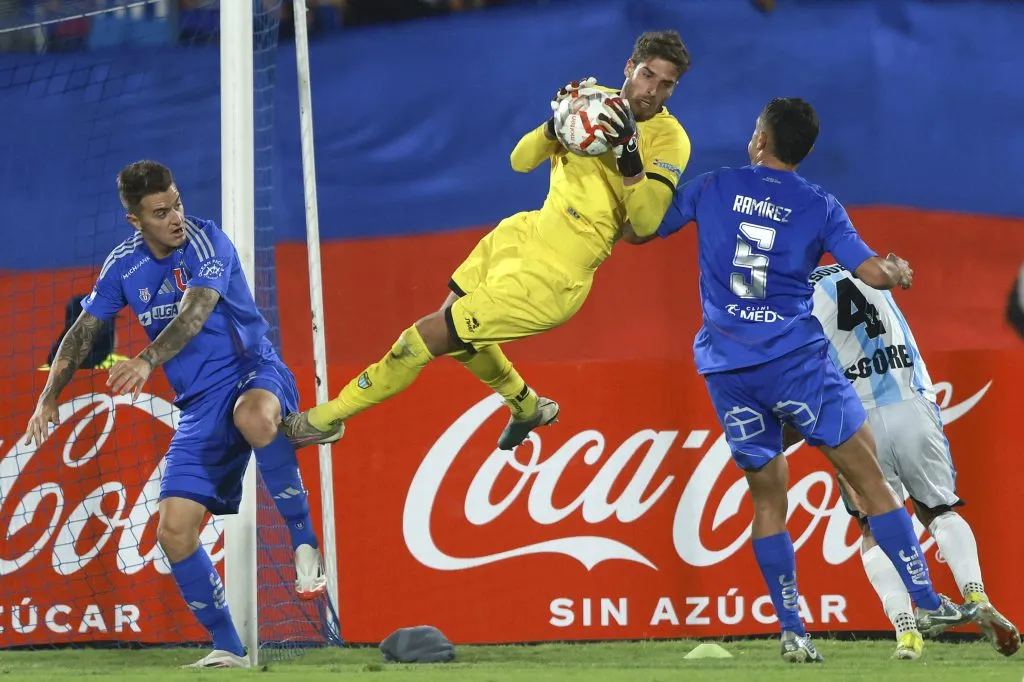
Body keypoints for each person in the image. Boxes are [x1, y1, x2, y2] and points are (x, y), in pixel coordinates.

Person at [624, 98, 976, 662]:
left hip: (728, 369)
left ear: (761, 139)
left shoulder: (715, 185)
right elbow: (872, 273)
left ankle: (793, 631)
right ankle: (928, 601)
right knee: (870, 482)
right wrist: (897, 270)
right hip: (795, 361)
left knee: (768, 499)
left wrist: (626, 162)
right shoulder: (819, 205)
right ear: (803, 150)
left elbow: (639, 229)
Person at [283, 30, 693, 450]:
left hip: (556, 278)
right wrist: (555, 126)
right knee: (456, 327)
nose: (652, 91)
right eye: (647, 75)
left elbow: (645, 224)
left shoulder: (670, 140)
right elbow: (520, 161)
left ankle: (324, 419)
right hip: (522, 234)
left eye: (666, 84)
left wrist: (628, 150)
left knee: (422, 338)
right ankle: (526, 405)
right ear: (630, 67)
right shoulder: (590, 104)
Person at [23, 160, 338, 669]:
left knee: (253, 417)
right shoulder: (123, 266)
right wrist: (48, 395)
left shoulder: (206, 241)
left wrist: (147, 360)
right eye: (160, 212)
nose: (176, 218)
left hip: (252, 371)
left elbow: (195, 311)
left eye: (177, 204)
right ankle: (228, 648)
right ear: (135, 220)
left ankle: (304, 544)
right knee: (172, 531)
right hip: (198, 406)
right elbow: (83, 332)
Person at [786, 264, 1019, 659]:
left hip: (858, 418)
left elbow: (802, 379)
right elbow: (898, 270)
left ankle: (907, 631)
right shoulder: (863, 266)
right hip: (912, 403)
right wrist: (900, 268)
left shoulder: (795, 298)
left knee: (873, 527)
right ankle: (976, 595)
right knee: (938, 510)